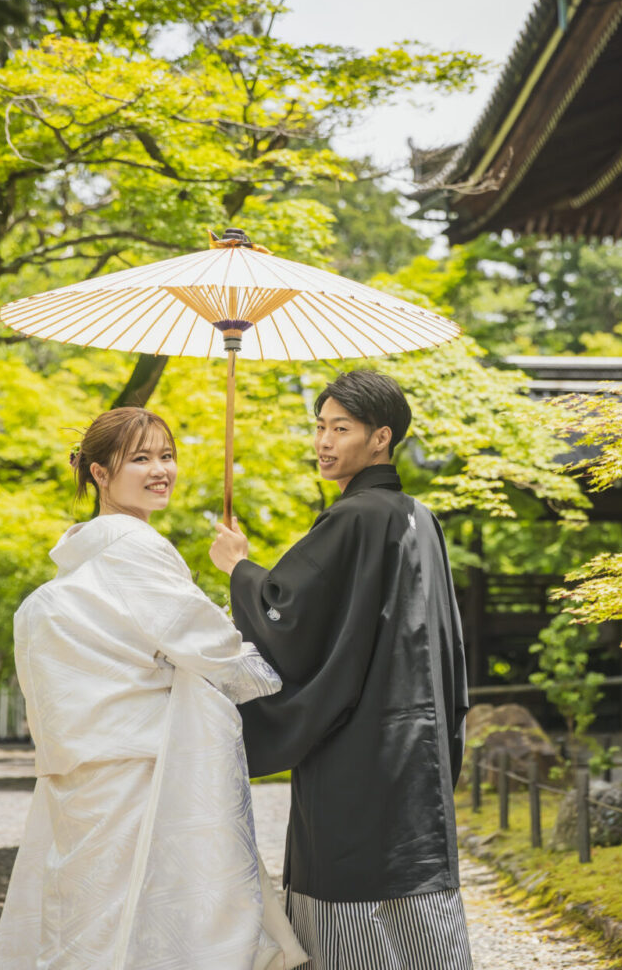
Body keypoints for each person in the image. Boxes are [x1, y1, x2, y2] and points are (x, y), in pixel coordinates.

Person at [0, 407, 307, 970]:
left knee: (93, 916)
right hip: (139, 771)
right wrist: (245, 583)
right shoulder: (134, 546)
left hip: (85, 772)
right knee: (151, 922)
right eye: (140, 459)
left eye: (166, 455)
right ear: (99, 475)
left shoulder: (78, 561)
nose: (161, 470)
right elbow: (216, 651)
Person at [209, 369, 472, 970]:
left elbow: (289, 615)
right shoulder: (419, 518)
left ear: (380, 438)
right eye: (320, 427)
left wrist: (239, 568)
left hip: (356, 743)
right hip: (419, 745)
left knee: (344, 892)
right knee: (418, 894)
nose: (324, 442)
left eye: (341, 429)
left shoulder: (355, 519)